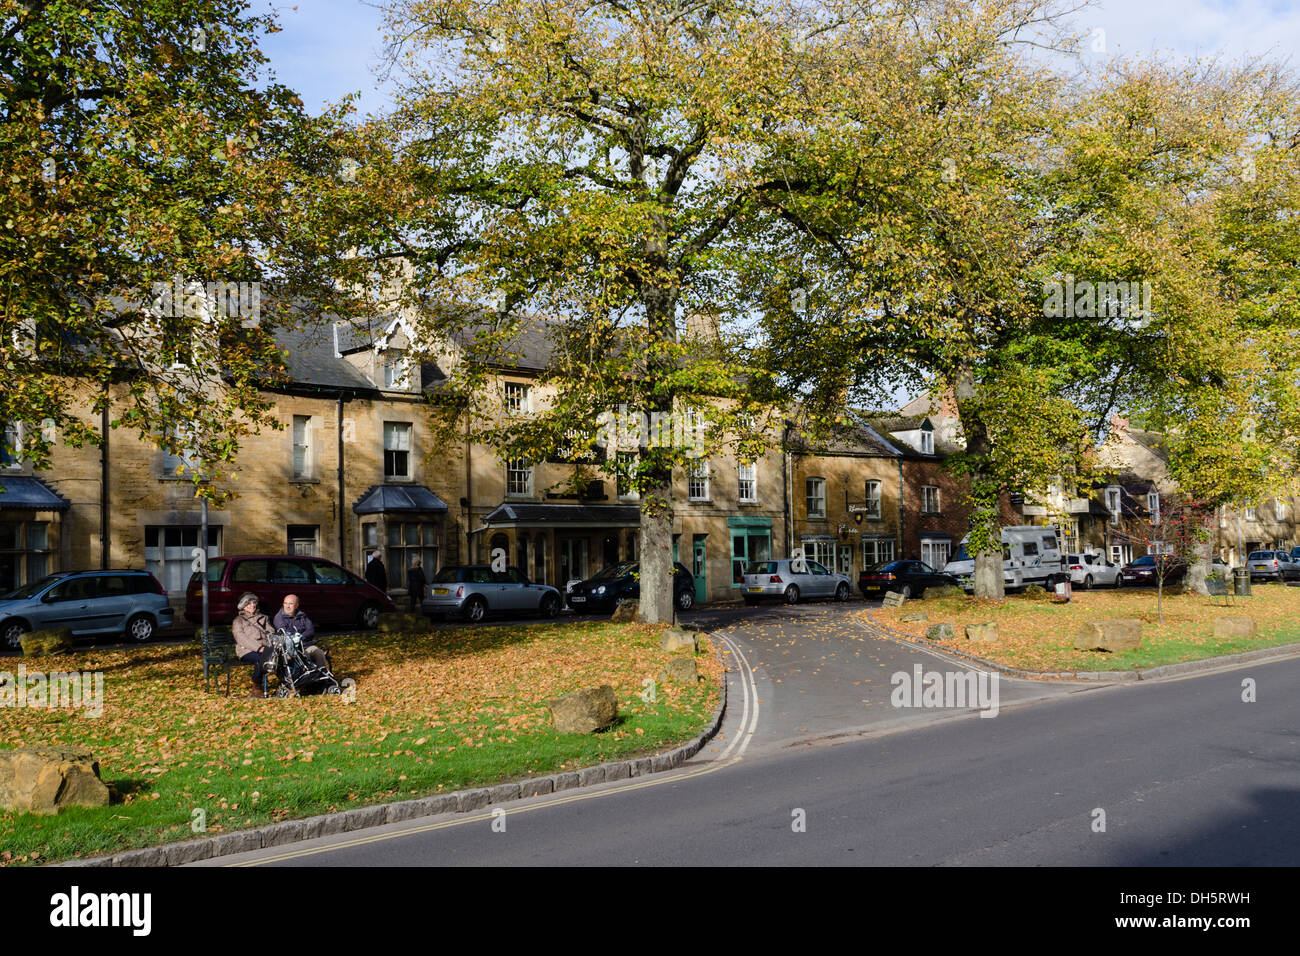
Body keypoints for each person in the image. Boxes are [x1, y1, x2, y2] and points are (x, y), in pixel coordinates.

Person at [231, 592, 274, 698]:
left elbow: (271, 632)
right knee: (261, 659)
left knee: (280, 657)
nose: (252, 605)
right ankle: (257, 687)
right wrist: (258, 648)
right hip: (246, 650)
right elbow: (241, 638)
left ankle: (287, 682)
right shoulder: (238, 621)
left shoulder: (263, 618)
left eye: (254, 602)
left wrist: (271, 641)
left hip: (266, 649)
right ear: (243, 606)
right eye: (249, 603)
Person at [273, 593, 328, 669]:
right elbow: (286, 634)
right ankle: (309, 677)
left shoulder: (302, 615)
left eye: (291, 604)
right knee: (305, 655)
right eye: (285, 603)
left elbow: (310, 630)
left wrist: (301, 637)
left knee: (318, 652)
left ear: (297, 605)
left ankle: (323, 675)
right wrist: (295, 638)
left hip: (306, 645)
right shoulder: (279, 618)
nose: (287, 606)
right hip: (291, 650)